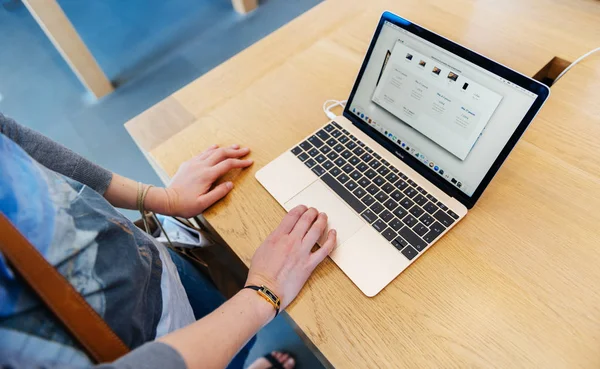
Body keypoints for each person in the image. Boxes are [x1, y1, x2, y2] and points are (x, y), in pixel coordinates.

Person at [0, 113, 337, 369]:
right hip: (147, 349)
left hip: (151, 268)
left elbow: (16, 142)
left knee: (236, 337)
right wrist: (265, 290)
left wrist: (162, 197)